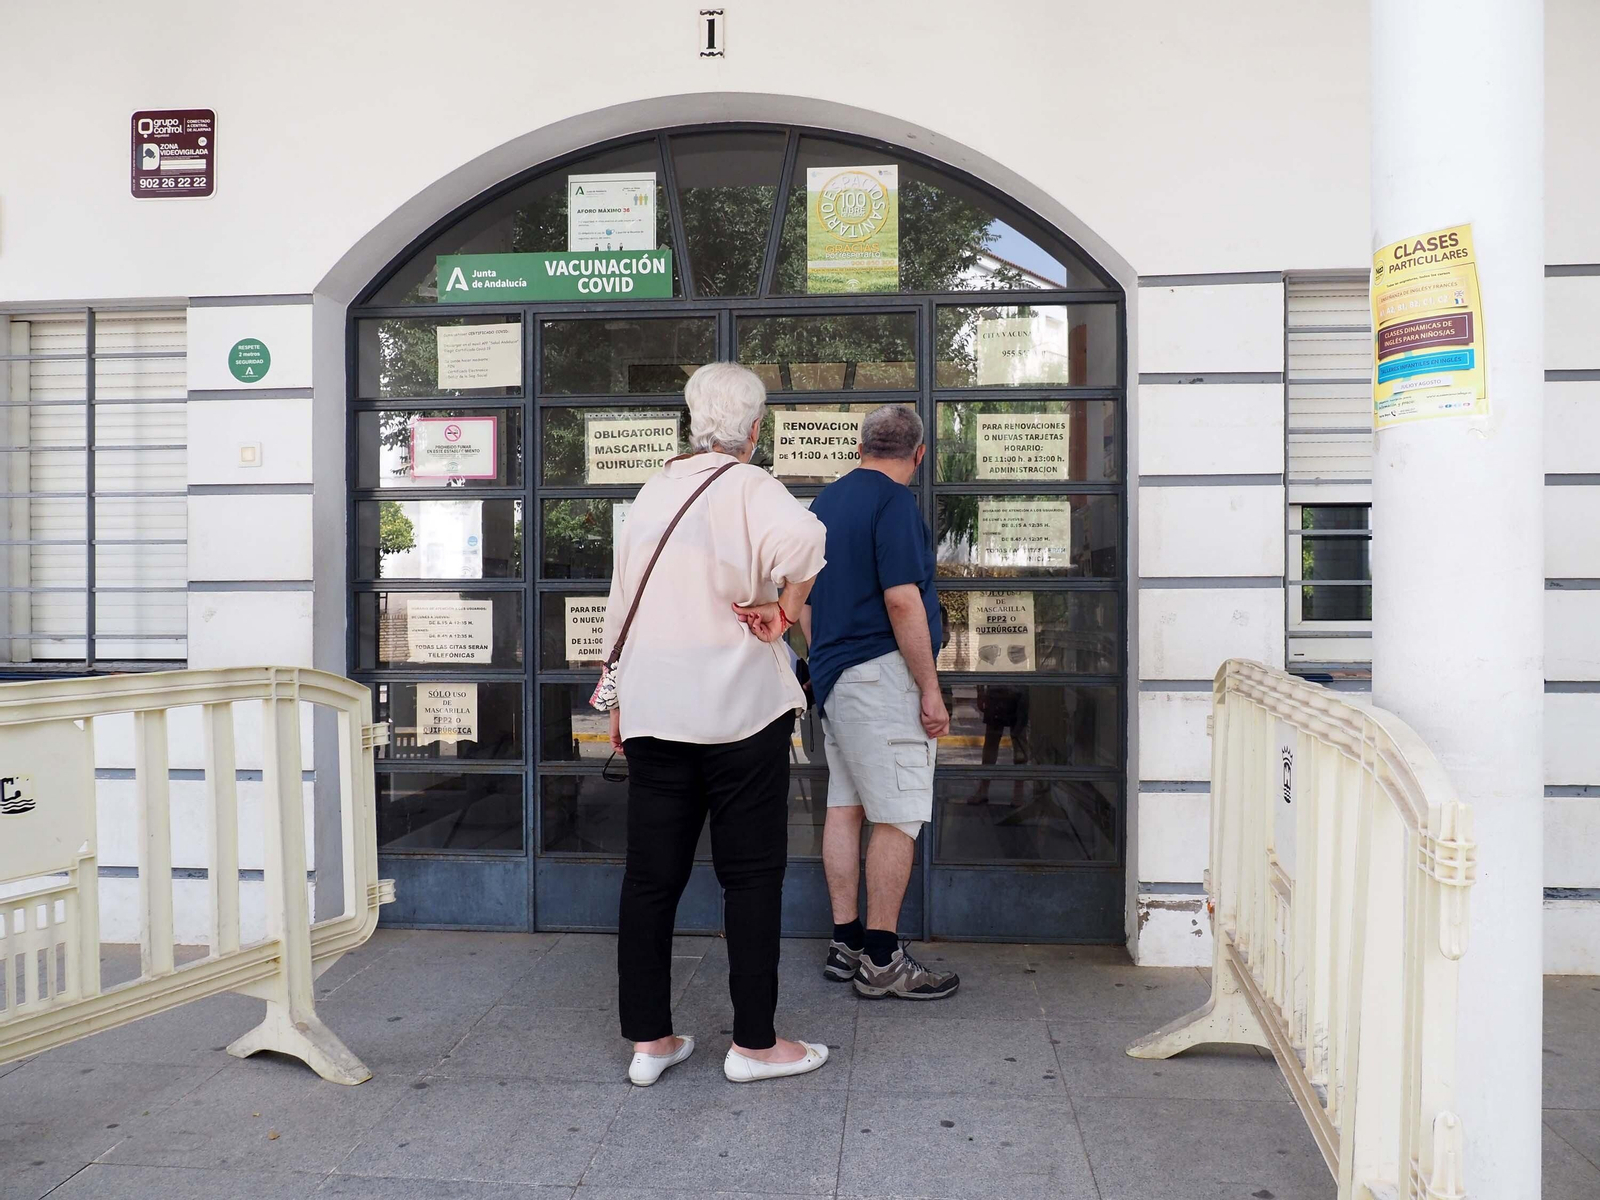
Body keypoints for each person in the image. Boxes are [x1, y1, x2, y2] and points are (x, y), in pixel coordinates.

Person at [604, 362, 831, 1085]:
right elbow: (809, 542)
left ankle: (649, 1043)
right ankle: (755, 1046)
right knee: (752, 875)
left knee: (649, 879)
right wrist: (786, 609)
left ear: (690, 419)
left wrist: (618, 700)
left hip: (654, 706)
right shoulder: (751, 486)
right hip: (738, 710)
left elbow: (620, 601)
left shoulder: (653, 490)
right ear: (755, 429)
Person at [800, 404, 960, 1000]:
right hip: (882, 677)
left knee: (845, 807)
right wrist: (930, 688)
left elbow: (806, 602)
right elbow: (902, 602)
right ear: (918, 455)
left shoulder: (825, 505)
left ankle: (847, 942)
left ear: (862, 446)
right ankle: (884, 959)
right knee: (898, 813)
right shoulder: (894, 505)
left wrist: (825, 662)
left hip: (837, 679)